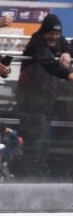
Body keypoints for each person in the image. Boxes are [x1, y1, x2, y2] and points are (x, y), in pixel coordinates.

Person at [16, 14, 73, 178]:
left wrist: (67, 53)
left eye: (57, 34)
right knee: (34, 141)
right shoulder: (37, 42)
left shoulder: (58, 41)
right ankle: (30, 178)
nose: (54, 37)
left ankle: (38, 174)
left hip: (46, 103)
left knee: (43, 142)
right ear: (44, 32)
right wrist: (68, 75)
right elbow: (48, 62)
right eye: (51, 34)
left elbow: (67, 44)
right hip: (31, 103)